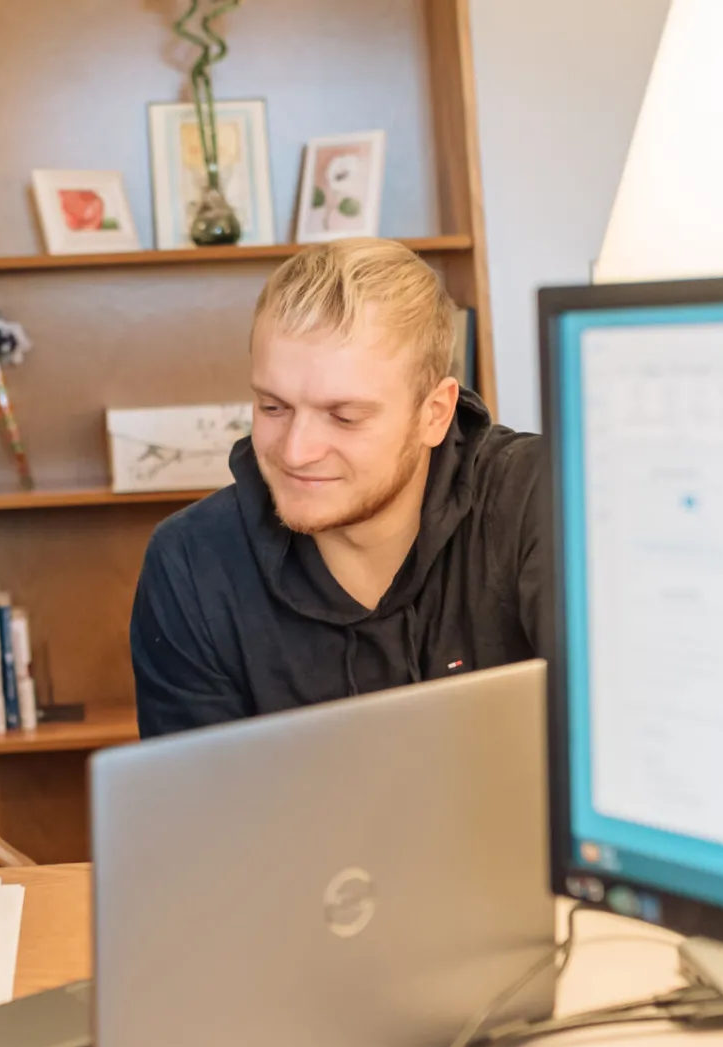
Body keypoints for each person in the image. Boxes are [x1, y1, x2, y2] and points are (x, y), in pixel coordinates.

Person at [131, 237, 547, 738]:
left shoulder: (537, 499)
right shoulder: (192, 564)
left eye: (344, 417)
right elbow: (199, 806)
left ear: (434, 414)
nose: (295, 451)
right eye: (272, 408)